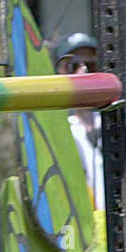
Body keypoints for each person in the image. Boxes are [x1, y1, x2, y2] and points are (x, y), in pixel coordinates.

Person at [53, 34, 104, 210]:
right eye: (72, 66)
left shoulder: (115, 121)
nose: (83, 71)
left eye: (90, 65)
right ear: (59, 72)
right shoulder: (57, 130)